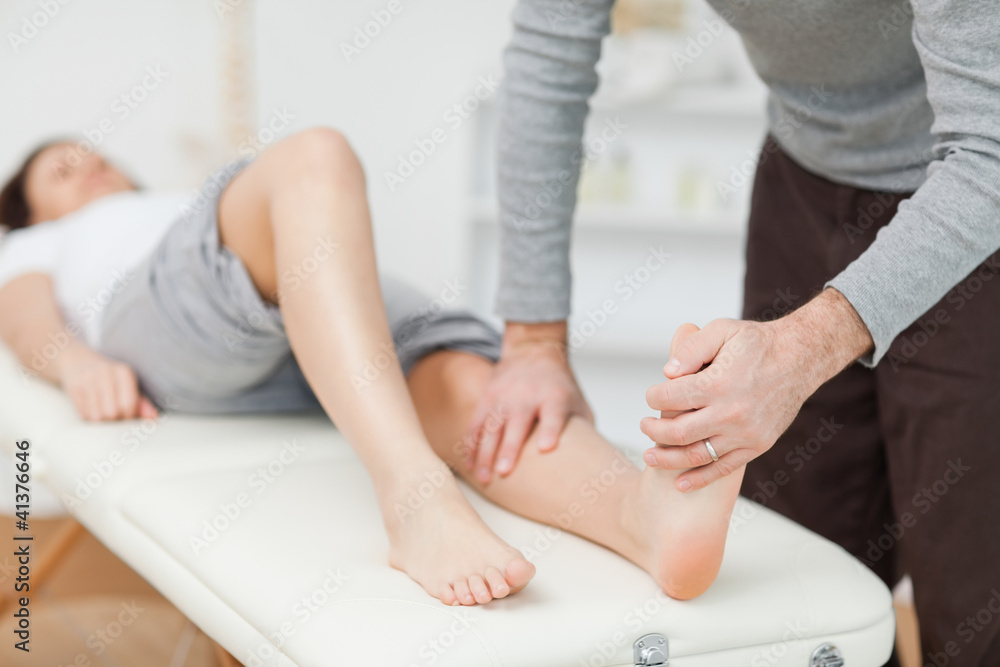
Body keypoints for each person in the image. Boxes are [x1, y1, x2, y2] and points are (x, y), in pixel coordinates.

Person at [0, 128, 744, 607]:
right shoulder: (55, 241)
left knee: (458, 375)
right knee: (315, 155)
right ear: (32, 214)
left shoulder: (170, 201)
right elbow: (23, 314)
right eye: (63, 170)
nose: (91, 165)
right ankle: (415, 498)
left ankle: (643, 519)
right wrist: (73, 363)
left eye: (97, 155)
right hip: (186, 329)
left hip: (311, 318)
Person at [476, 0, 1000, 663]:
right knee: (800, 606)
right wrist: (531, 340)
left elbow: (991, 146)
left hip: (975, 197)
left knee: (974, 609)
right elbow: (548, 58)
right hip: (806, 175)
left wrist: (802, 350)